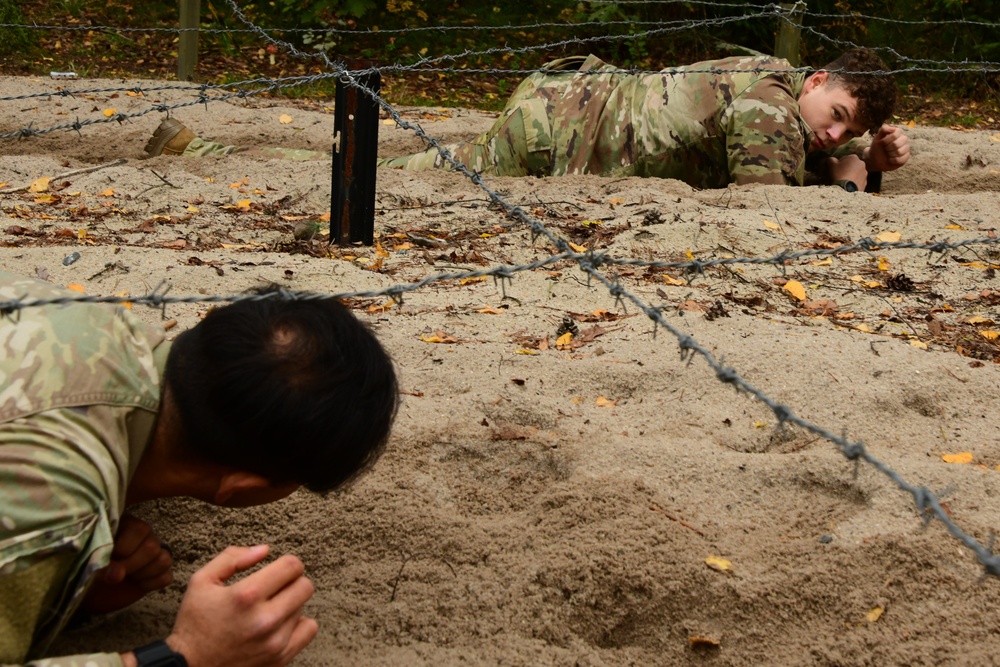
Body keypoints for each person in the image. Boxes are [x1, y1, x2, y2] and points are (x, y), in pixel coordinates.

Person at [0, 272, 399, 666]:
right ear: (242, 486)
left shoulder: (97, 323)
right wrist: (187, 655)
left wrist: (66, 593)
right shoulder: (60, 498)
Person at [144, 48, 909, 192]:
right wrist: (855, 176)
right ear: (814, 81)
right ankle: (205, 152)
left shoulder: (765, 80)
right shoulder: (769, 106)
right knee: (399, 181)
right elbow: (766, 208)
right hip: (552, 137)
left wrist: (846, 161)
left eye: (847, 130)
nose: (832, 132)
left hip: (559, 112)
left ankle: (200, 147)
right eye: (836, 113)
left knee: (408, 174)